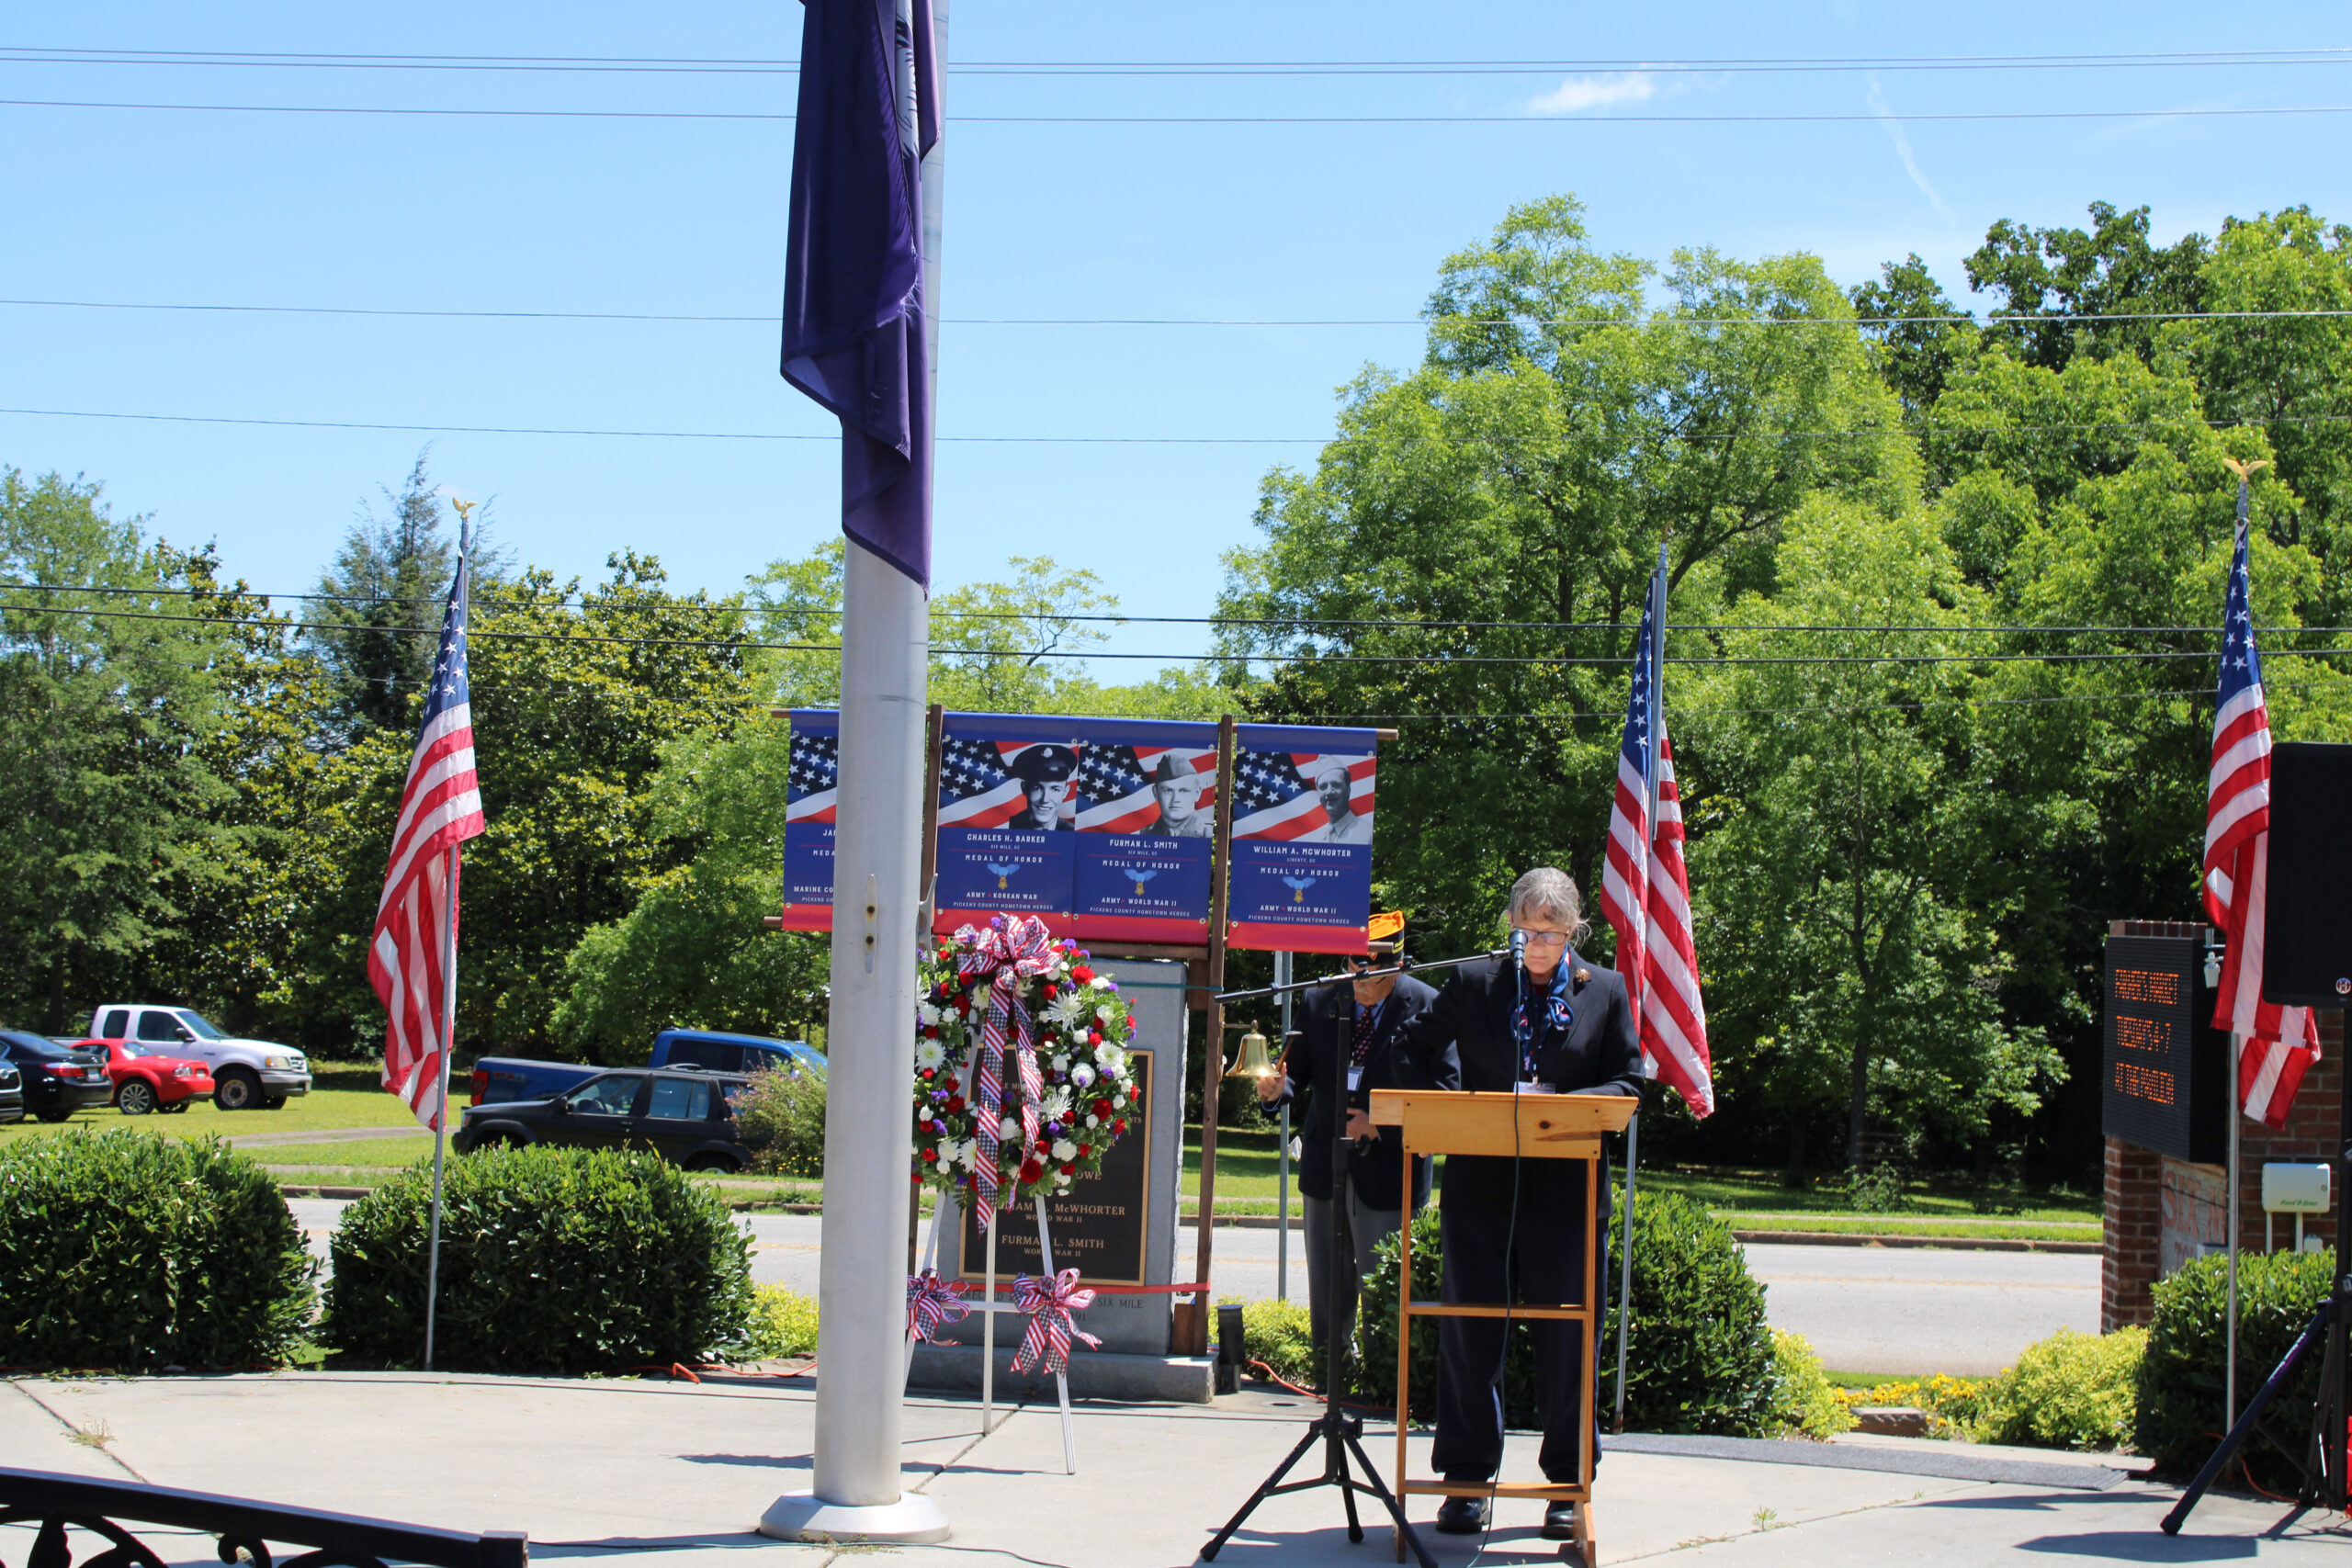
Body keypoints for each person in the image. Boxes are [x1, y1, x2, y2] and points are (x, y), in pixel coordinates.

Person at [1392, 867, 1642, 1541]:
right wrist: (1454, 1104)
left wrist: (1577, 1107)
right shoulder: (1476, 982)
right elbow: (1412, 1047)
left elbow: (1630, 1075)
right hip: (1480, 1192)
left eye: (1550, 932)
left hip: (1566, 1197)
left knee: (1567, 1338)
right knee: (1471, 1336)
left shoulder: (1607, 991)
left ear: (1573, 932)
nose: (1535, 943)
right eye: (1526, 929)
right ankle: (1467, 1481)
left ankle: (1567, 1483)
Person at [1256, 931, 1448, 1354]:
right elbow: (1296, 1073)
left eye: (1371, 978)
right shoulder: (1321, 1000)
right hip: (1326, 1162)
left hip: (1389, 1170)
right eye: (1352, 971)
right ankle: (1330, 1367)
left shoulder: (1431, 1006)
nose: (1359, 985)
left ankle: (1383, 1375)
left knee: (1385, 1282)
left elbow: (1446, 1093)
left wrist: (1381, 1126)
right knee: (1328, 1279)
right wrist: (1276, 1090)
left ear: (1398, 966)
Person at [1142, 751, 1213, 838]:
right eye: (1167, 790)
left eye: (1183, 791)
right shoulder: (1145, 833)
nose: (1175, 799)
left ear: (1197, 793)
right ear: (1156, 793)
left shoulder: (1208, 833)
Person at [1007, 744, 1077, 830]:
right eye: (1037, 788)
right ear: (1024, 788)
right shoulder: (1007, 826)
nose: (1045, 799)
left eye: (1055, 789)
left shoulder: (1072, 831)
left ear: (1065, 792)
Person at [1303, 763, 1370, 843]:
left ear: (1348, 790)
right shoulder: (1315, 838)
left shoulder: (1367, 834)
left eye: (1336, 785)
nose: (1329, 792)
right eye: (1323, 786)